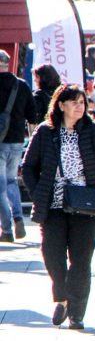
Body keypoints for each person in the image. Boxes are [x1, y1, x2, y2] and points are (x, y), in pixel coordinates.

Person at [23, 84, 95, 330]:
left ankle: (76, 312)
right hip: (53, 204)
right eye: (74, 102)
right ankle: (62, 297)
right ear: (61, 105)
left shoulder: (94, 131)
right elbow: (28, 167)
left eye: (82, 102)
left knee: (80, 259)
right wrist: (38, 194)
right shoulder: (46, 132)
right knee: (52, 255)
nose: (80, 106)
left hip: (87, 205)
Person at [0, 50, 37, 242]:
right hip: (16, 140)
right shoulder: (21, 85)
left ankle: (6, 230)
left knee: (0, 186)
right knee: (11, 181)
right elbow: (33, 116)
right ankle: (18, 217)